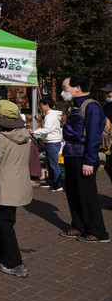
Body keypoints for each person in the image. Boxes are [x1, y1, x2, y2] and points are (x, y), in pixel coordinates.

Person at [58, 74, 109, 243]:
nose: (63, 92)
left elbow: (93, 136)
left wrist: (89, 160)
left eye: (65, 88)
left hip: (83, 155)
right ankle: (79, 225)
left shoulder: (92, 107)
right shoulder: (73, 106)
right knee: (73, 192)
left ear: (77, 88)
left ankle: (97, 230)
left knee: (87, 194)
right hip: (71, 153)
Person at [0, 100, 33, 278]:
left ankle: (15, 263)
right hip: (19, 182)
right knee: (2, 218)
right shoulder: (24, 134)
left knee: (5, 224)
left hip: (5, 184)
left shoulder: (1, 138)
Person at [29, 98, 63, 191]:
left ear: (46, 105)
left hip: (52, 142)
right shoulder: (50, 115)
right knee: (50, 163)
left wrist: (35, 131)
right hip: (51, 141)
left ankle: (57, 184)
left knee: (53, 163)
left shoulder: (50, 116)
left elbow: (47, 129)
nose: (41, 108)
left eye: (41, 106)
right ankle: (52, 181)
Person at [101, 83, 112, 184]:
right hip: (109, 143)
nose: (106, 95)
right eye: (105, 93)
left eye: (108, 93)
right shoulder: (106, 106)